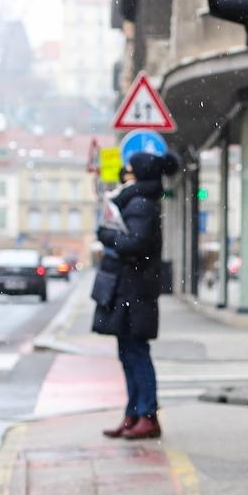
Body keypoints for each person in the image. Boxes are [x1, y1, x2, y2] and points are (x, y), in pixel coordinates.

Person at [94, 151, 179, 440]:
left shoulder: (140, 203)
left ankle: (146, 415)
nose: (123, 174)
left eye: (128, 171)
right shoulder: (136, 200)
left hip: (135, 291)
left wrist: (106, 235)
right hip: (131, 290)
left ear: (138, 175)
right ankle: (133, 414)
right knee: (128, 354)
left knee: (136, 354)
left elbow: (137, 244)